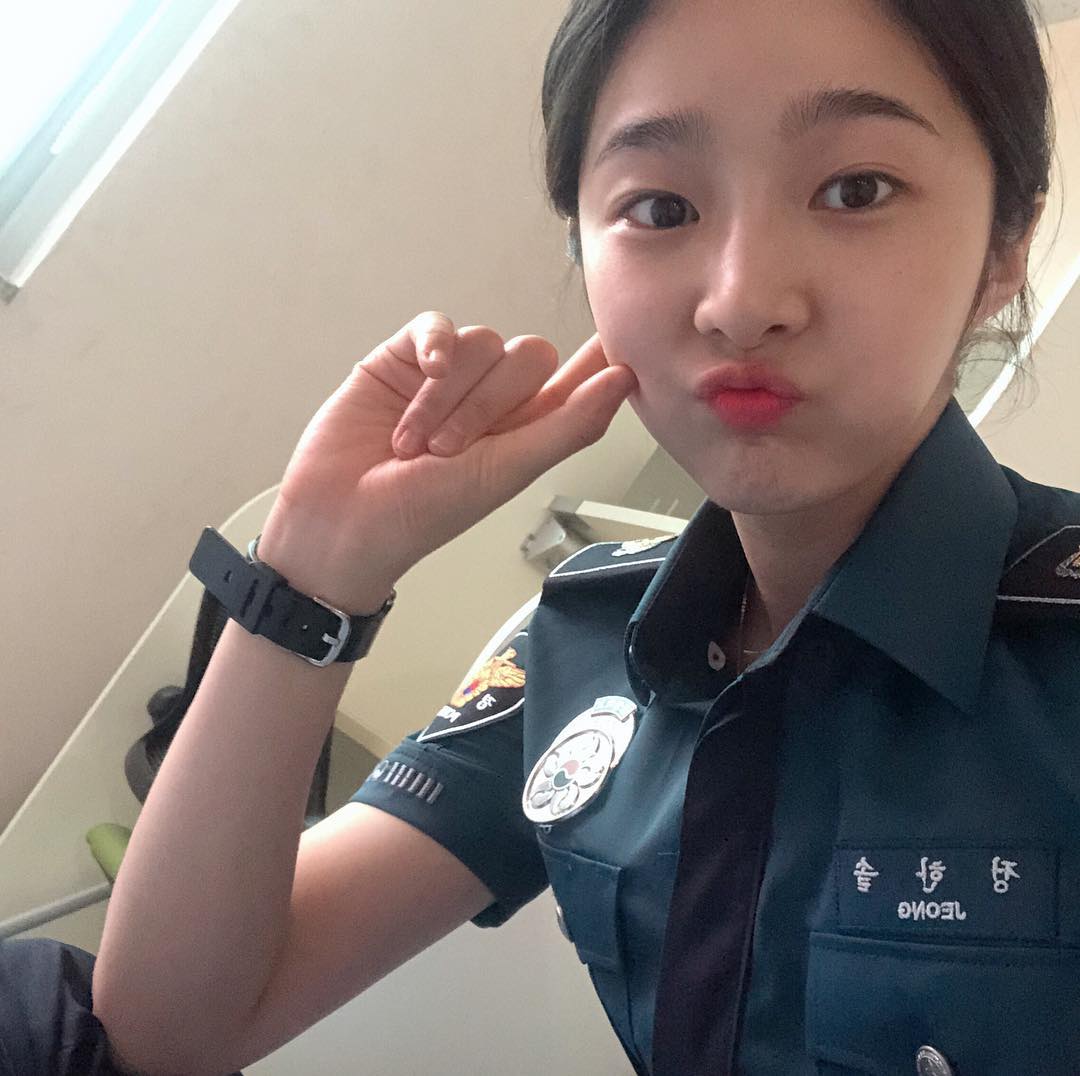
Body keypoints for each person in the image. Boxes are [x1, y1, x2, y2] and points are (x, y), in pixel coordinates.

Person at [90, 0, 1079, 1073]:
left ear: (1006, 244)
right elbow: (173, 1024)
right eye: (660, 207)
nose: (739, 301)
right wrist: (315, 570)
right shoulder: (581, 643)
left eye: (857, 190)